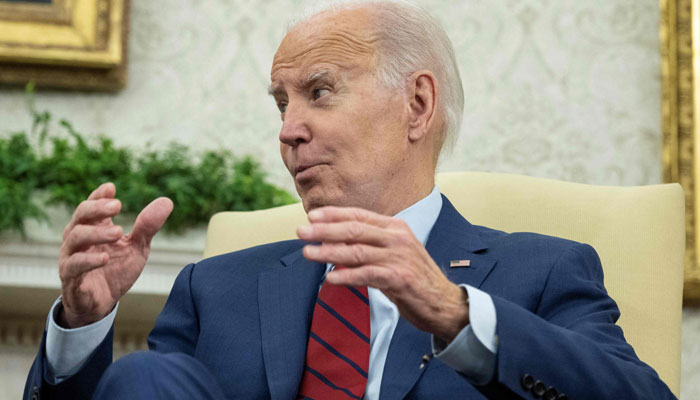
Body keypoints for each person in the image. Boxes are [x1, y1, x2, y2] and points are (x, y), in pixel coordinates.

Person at [24, 1, 676, 399]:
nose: (287, 129)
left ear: (416, 105)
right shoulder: (214, 289)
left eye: (320, 91)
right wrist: (81, 327)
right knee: (143, 378)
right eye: (281, 104)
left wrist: (453, 313)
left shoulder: (542, 271)